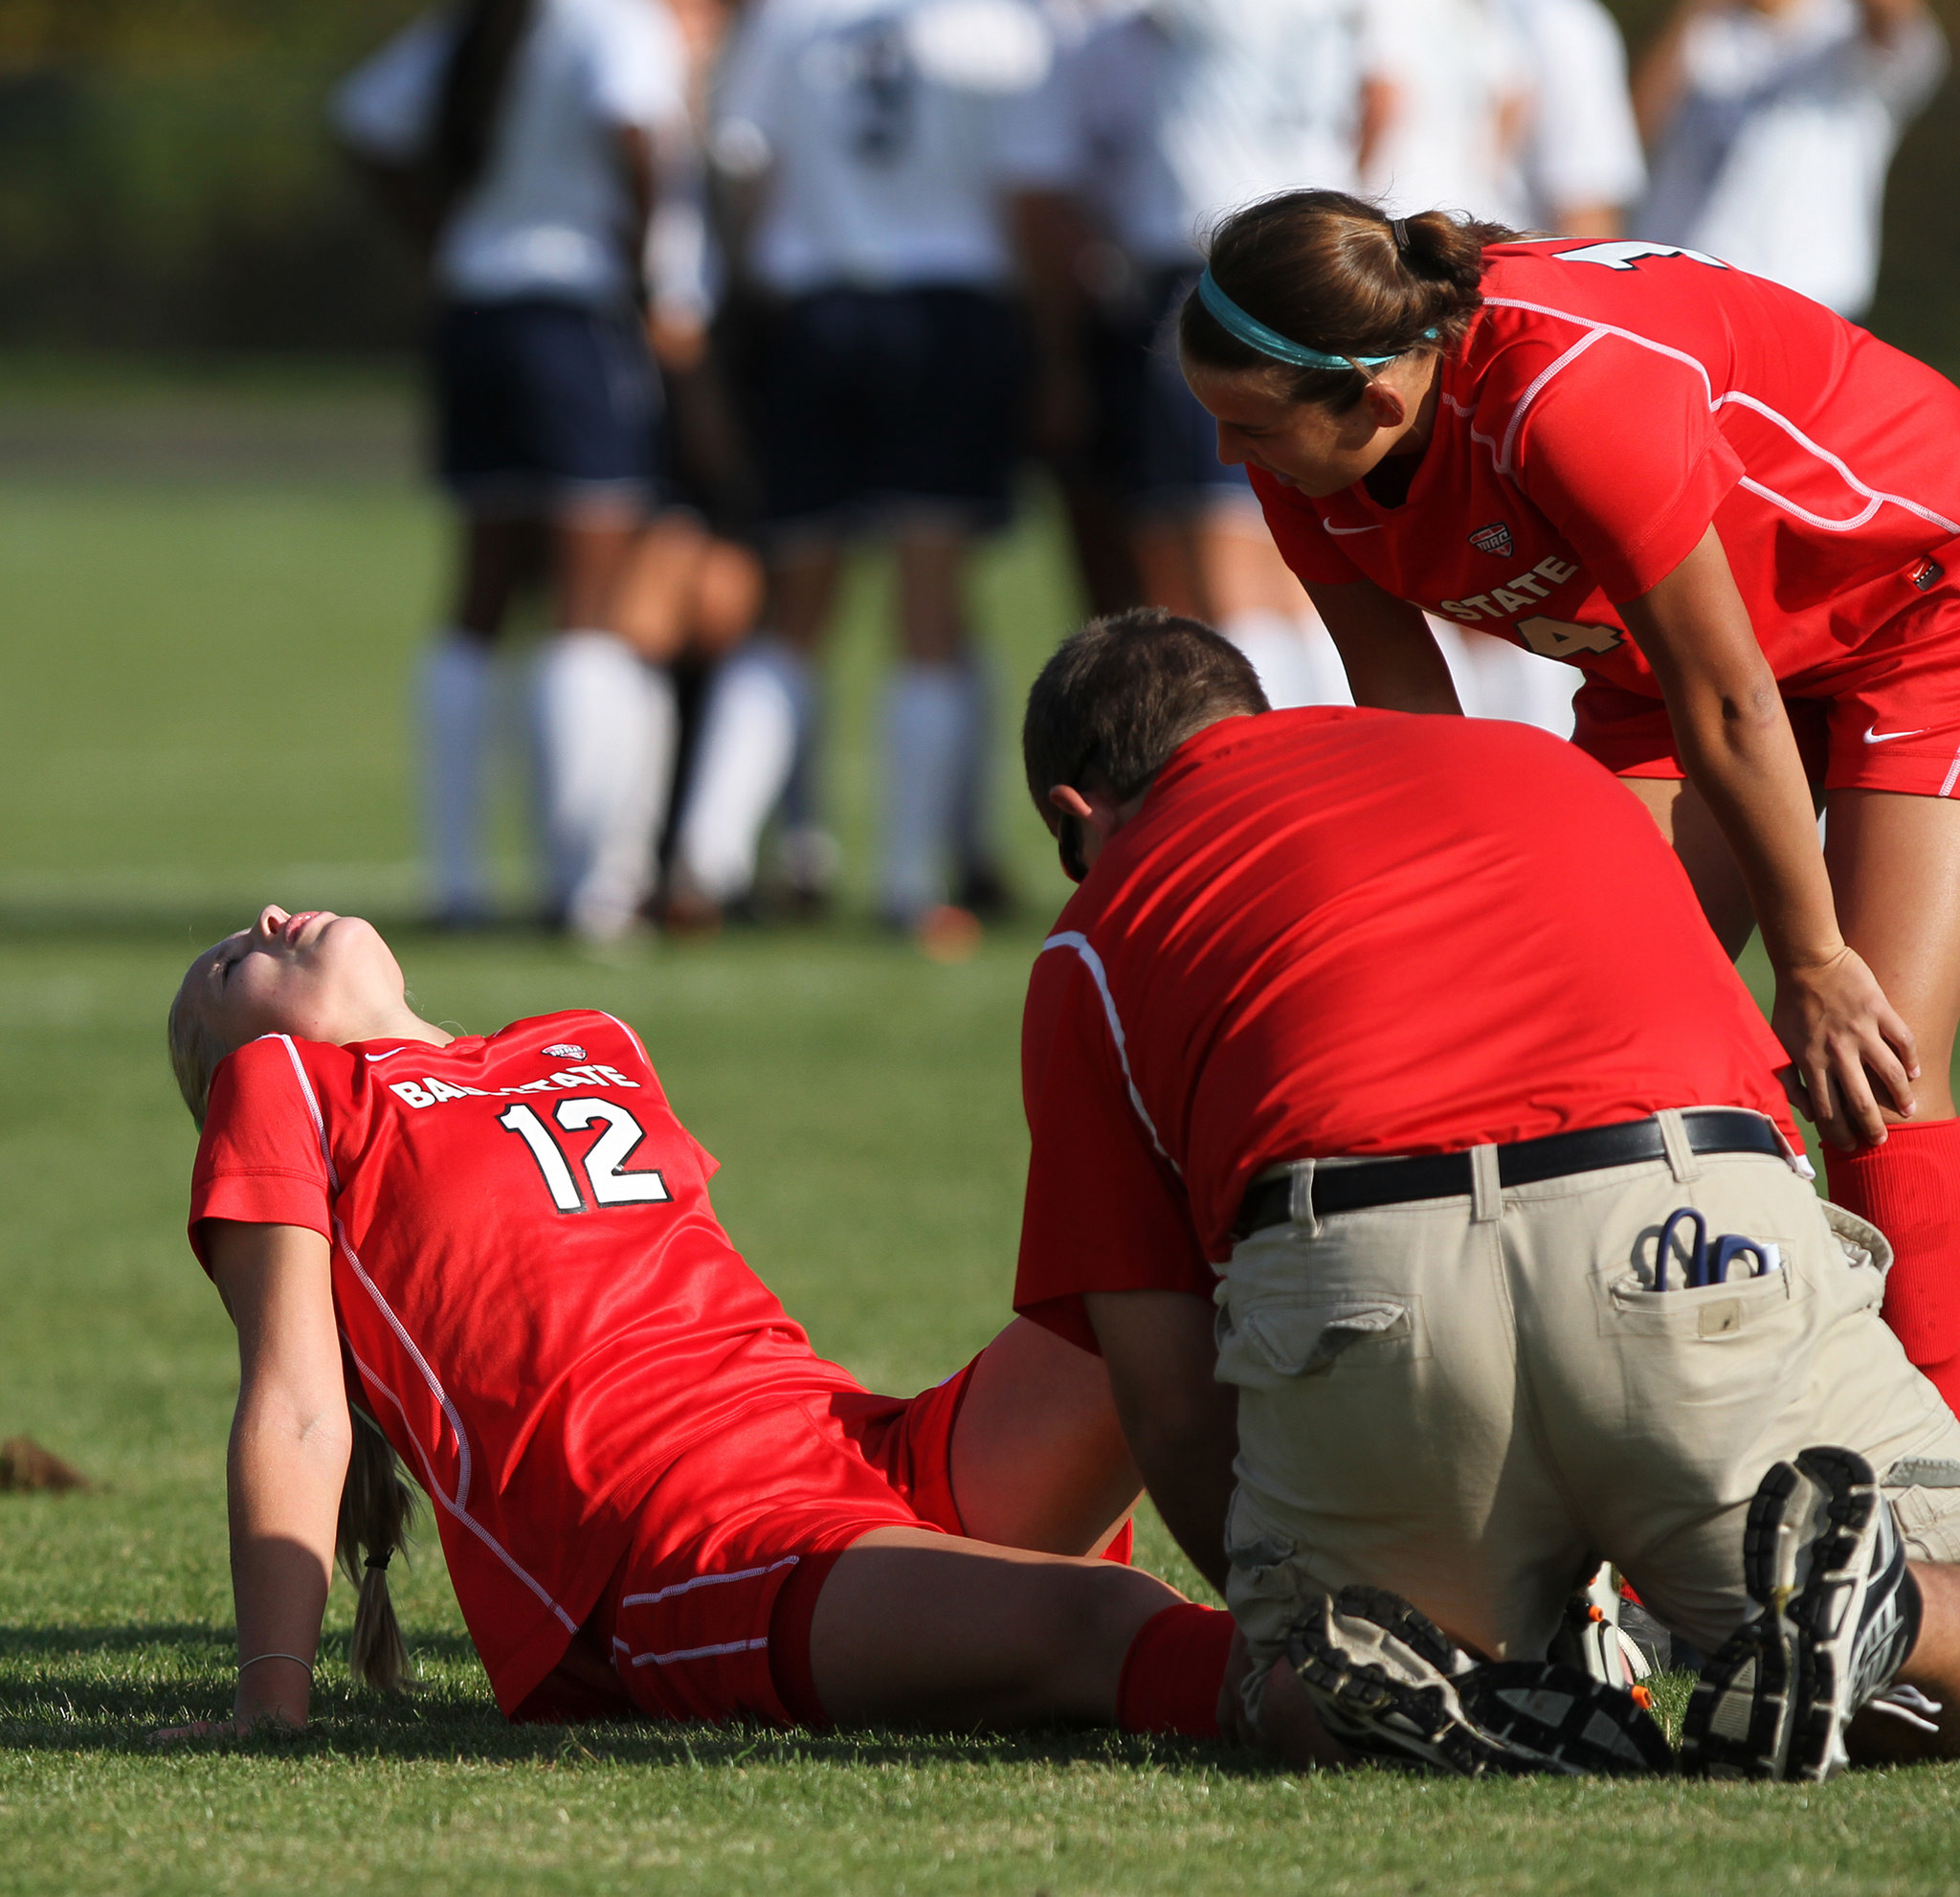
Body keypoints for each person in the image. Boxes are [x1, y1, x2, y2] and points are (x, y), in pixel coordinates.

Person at [1013, 609, 1960, 1779]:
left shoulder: (1087, 941)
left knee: (1292, 1689)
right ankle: (1891, 1617)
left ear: (1074, 815)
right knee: (1895, 1665)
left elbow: (1162, 1395)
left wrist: (1281, 1625)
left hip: (1372, 1279)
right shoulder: (1525, 763)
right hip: (1689, 1224)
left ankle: (1431, 1687)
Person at [1175, 190, 1960, 1415]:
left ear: (1375, 397)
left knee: (1873, 1075)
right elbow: (1409, 722)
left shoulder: (1565, 392)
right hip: (1673, 664)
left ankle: (1937, 1490)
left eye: (1249, 426)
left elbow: (1735, 705)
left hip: (1910, 603)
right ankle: (1661, 1460)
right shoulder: (1303, 452)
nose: (1230, 457)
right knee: (1580, 1047)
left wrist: (1810, 958)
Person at [157, 903, 1244, 1743]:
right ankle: (1341, 1686)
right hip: (686, 1540)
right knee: (1095, 1620)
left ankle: (1385, 1570)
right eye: (225, 969)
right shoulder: (285, 1085)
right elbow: (299, 1404)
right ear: (225, 1066)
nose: (264, 921)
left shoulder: (588, 1035)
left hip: (856, 1444)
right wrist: (271, 1698)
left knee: (1169, 1279)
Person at [665, 0, 1065, 942]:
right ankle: (905, 879)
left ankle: (702, 856)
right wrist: (1054, 347)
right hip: (946, 313)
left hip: (816, 314)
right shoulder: (997, 27)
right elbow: (1030, 191)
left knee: (793, 606)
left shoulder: (791, 17)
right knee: (927, 609)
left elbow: (741, 164)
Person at [331, 0, 690, 941]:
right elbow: (636, 132)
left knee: (481, 596)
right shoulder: (612, 22)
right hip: (573, 317)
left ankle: (457, 879)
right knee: (589, 602)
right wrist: (650, 271)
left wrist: (445, 237)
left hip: (476, 315)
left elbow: (363, 122)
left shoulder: (478, 23)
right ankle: (586, 888)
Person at [1632, 0, 1947, 321]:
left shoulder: (1849, 30)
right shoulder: (1712, 24)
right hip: (1675, 284)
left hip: (1799, 298)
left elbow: (1894, 24)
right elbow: (1631, 138)